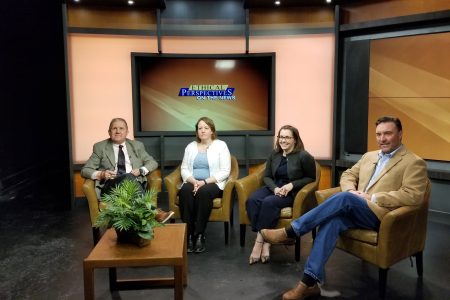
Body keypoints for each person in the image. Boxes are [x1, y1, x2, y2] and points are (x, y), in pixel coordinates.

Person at [260, 116, 429, 300]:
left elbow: (413, 195)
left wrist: (373, 197)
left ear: (400, 134)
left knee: (345, 199)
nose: (382, 138)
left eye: (387, 133)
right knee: (332, 221)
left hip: (382, 216)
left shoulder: (413, 162)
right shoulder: (369, 156)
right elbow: (348, 174)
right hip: (356, 206)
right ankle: (309, 283)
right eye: (378, 134)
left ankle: (292, 231)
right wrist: (351, 191)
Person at [81, 117, 174, 223]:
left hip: (134, 186)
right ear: (109, 132)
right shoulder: (100, 147)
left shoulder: (137, 145)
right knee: (128, 176)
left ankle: (150, 215)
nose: (117, 131)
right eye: (114, 128)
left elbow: (152, 163)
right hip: (111, 186)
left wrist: (141, 170)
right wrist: (101, 174)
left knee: (129, 177)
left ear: (127, 132)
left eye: (121, 128)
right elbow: (85, 170)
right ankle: (154, 213)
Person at [246, 125, 316, 265]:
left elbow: (311, 178)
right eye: (281, 137)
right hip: (275, 187)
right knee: (252, 200)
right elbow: (267, 176)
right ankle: (267, 240)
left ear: (295, 139)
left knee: (269, 203)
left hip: (291, 191)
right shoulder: (275, 154)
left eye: (287, 137)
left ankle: (260, 242)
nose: (283, 140)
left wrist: (291, 185)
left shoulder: (304, 156)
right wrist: (275, 189)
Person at [178, 117, 231, 253]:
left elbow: (225, 171)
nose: (202, 130)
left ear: (212, 131)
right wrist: (193, 181)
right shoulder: (190, 146)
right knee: (184, 192)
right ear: (197, 131)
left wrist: (204, 182)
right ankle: (189, 235)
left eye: (206, 128)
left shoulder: (221, 145)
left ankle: (199, 234)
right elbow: (183, 168)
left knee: (204, 192)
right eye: (200, 128)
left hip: (212, 182)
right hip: (192, 181)